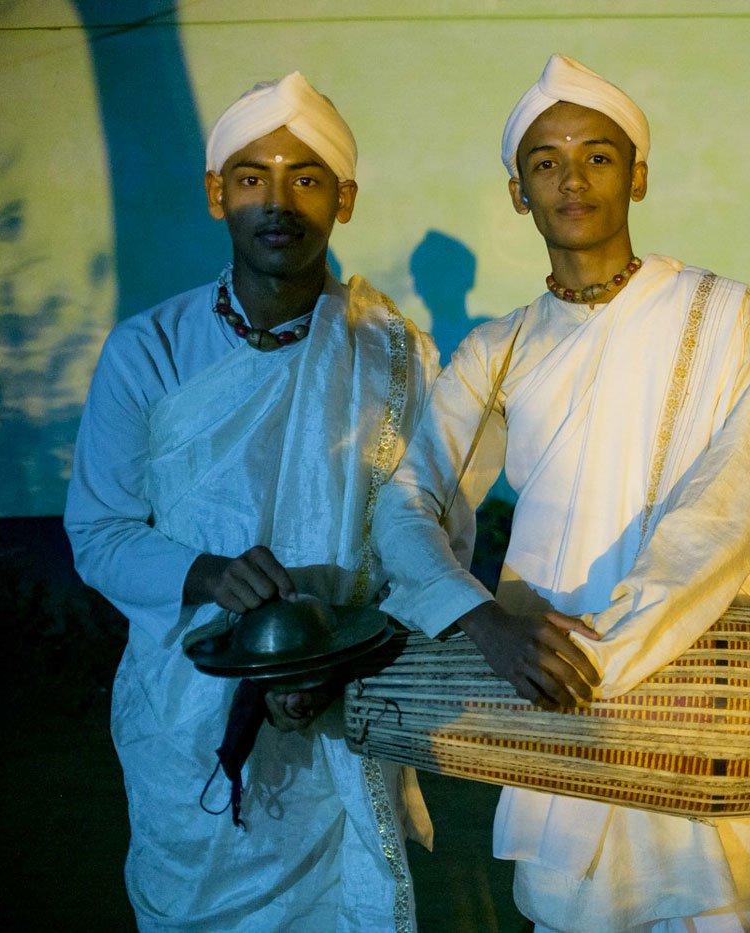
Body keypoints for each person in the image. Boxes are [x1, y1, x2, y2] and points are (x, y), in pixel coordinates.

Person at [376, 54, 750, 933]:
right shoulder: (500, 348)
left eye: (597, 155)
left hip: (694, 686)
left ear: (638, 173)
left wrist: (608, 653)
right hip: (547, 696)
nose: (572, 179)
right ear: (518, 190)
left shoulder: (722, 312)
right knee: (570, 911)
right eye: (545, 161)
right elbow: (402, 503)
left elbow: (731, 503)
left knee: (715, 906)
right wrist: (481, 621)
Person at [64, 71, 438, 930]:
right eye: (251, 177)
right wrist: (207, 572)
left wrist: (327, 658)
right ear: (215, 194)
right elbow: (99, 531)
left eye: (305, 178)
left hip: (346, 699)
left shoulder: (391, 355)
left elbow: (428, 529)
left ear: (343, 199)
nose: (278, 201)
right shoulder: (148, 350)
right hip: (186, 711)